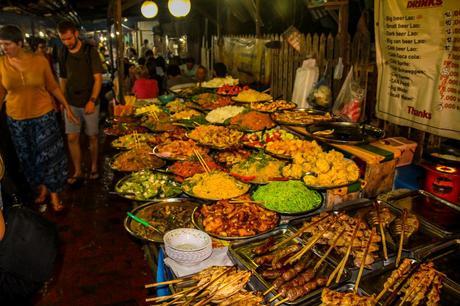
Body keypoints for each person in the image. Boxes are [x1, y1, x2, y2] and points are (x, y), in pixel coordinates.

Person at [0, 25, 78, 212]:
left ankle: (54, 193)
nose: (4, 48)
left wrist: (66, 107)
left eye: (7, 44)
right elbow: (1, 92)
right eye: (1, 44)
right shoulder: (1, 64)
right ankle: (41, 187)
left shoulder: (39, 61)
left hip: (43, 115)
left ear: (19, 43)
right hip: (16, 119)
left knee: (50, 155)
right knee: (29, 157)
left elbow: (53, 86)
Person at [57, 21, 103, 185]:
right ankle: (77, 170)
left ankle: (94, 166)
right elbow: (63, 78)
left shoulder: (90, 51)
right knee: (72, 137)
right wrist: (63, 100)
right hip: (71, 102)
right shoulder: (62, 53)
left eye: (69, 38)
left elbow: (98, 79)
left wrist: (92, 100)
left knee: (92, 136)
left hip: (90, 101)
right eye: (63, 39)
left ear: (76, 34)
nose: (67, 42)